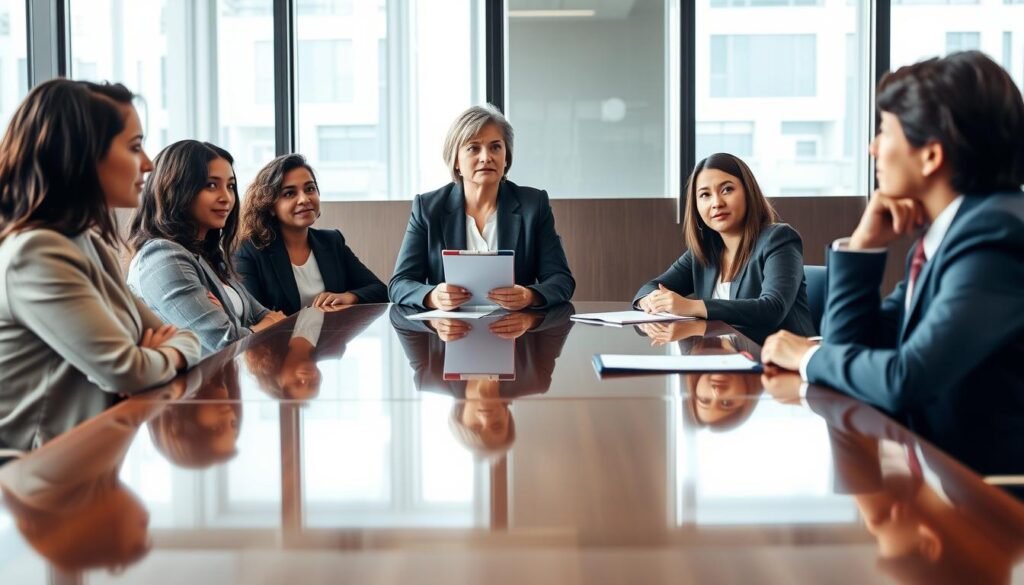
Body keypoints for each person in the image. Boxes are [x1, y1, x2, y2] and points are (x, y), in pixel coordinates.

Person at [761, 51, 1024, 414]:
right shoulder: (957, 232)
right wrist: (862, 245)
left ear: (931, 156)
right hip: (931, 462)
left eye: (884, 131)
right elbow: (864, 346)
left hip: (977, 472)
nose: (872, 148)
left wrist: (810, 356)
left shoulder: (996, 237)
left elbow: (907, 379)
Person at [0, 79, 201, 451]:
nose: (148, 163)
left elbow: (185, 338)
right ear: (80, 154)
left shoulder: (90, 243)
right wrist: (156, 358)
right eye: (134, 146)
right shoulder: (36, 253)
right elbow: (126, 370)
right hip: (34, 479)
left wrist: (159, 355)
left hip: (89, 458)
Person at [388, 104, 575, 311]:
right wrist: (432, 297)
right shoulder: (428, 208)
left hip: (515, 331)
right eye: (473, 148)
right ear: (456, 161)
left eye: (495, 147)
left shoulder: (533, 205)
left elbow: (561, 280)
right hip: (451, 333)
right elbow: (399, 284)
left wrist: (530, 295)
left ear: (506, 158)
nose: (486, 157)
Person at [633, 152, 815, 344]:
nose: (717, 203)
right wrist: (649, 301)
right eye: (705, 195)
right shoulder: (704, 251)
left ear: (748, 192)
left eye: (727, 190)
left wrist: (691, 306)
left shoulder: (779, 239)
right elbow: (650, 287)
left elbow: (772, 309)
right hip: (725, 360)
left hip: (781, 362)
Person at [126, 140, 285, 355]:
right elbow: (225, 343)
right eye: (211, 185)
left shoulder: (208, 255)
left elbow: (269, 316)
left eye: (230, 186)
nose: (226, 198)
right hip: (192, 386)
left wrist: (250, 326)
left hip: (228, 381)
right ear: (176, 189)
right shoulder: (164, 257)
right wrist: (260, 326)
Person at [236, 153, 387, 315]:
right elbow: (251, 315)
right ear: (271, 206)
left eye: (310, 189)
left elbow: (380, 290)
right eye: (289, 193)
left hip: (330, 339)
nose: (304, 199)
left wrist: (350, 297)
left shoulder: (332, 241)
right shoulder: (251, 250)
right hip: (277, 339)